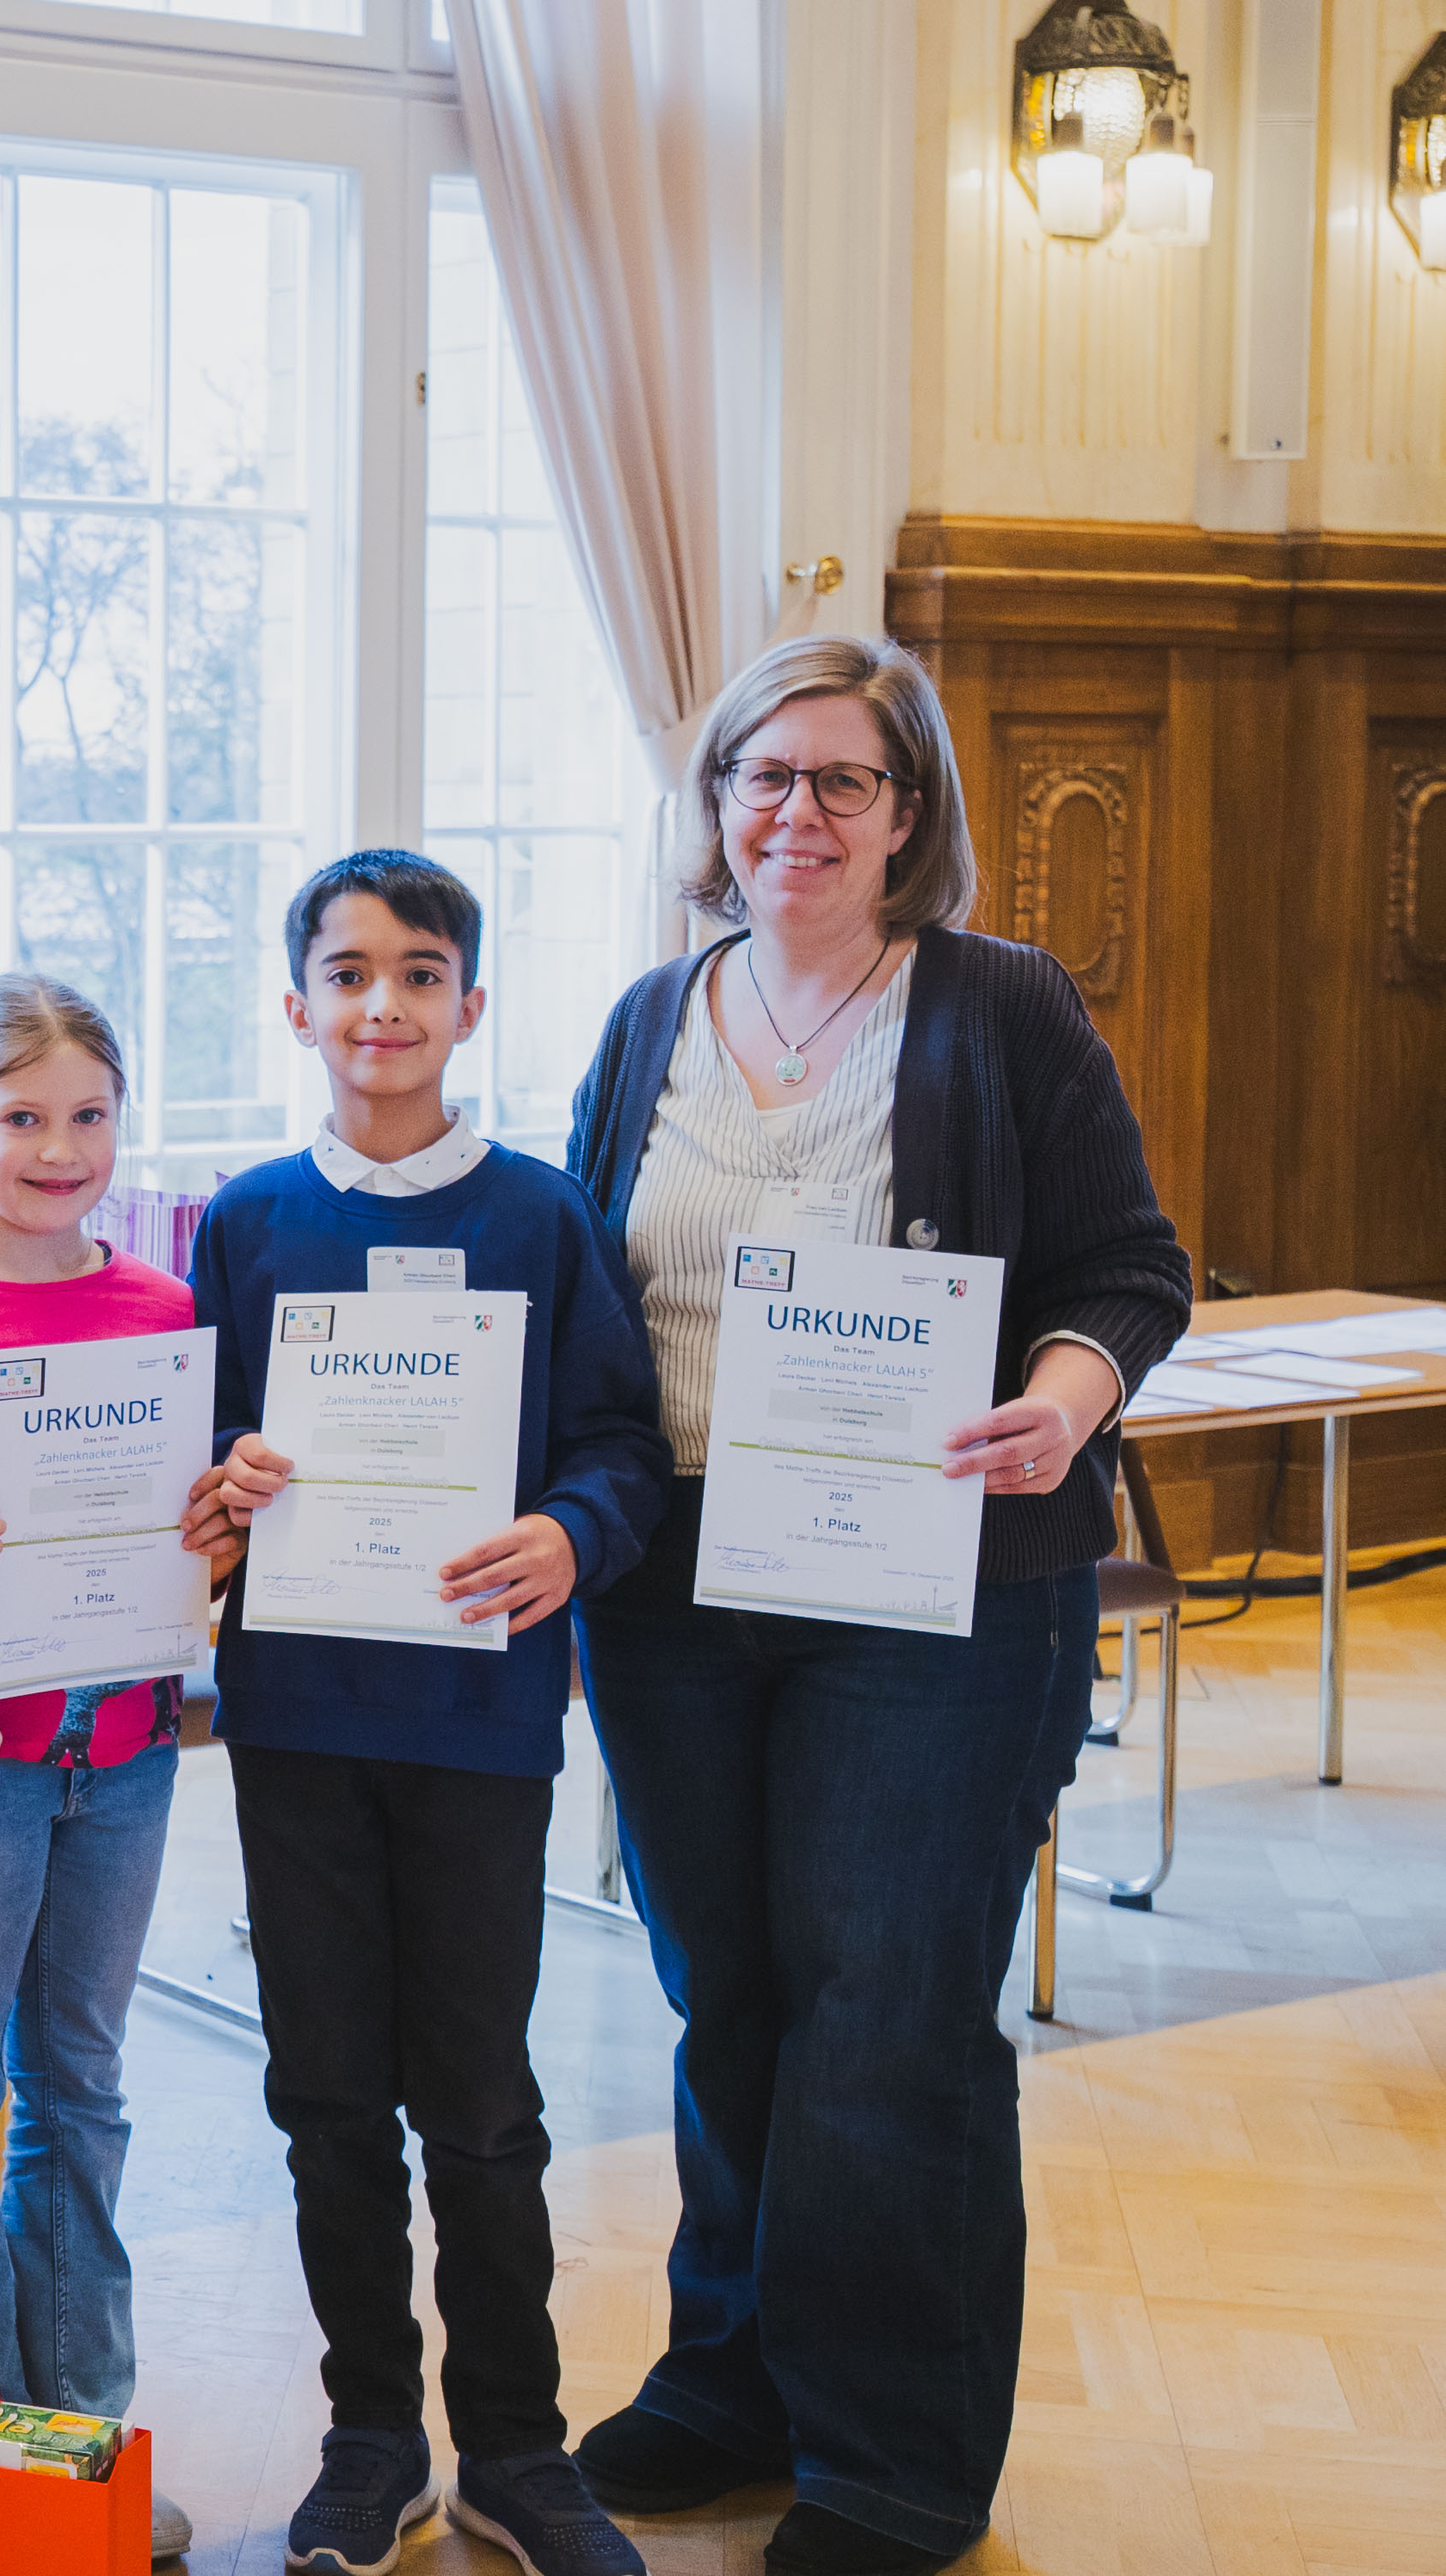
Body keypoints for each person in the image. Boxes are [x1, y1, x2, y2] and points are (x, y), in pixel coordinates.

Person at [558, 637, 1189, 2576]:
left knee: (887, 2013)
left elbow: (1128, 1267)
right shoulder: (649, 1017)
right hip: (676, 1590)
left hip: (937, 1589)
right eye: (765, 774)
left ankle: (893, 2453)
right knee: (727, 1991)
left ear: (908, 812)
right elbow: (589, 1295)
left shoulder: (1000, 1006)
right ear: (716, 802)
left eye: (844, 780)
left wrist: (1058, 1403)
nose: (798, 814)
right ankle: (732, 2376)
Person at [182, 851, 670, 2576]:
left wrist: (570, 1532)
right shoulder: (247, 1221)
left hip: (474, 1721)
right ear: (295, 1004)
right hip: (301, 1723)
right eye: (345, 972)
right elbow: (197, 1449)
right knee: (324, 2093)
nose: (379, 1004)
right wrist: (222, 1478)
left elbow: (620, 1445)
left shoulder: (539, 1216)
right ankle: (371, 2437)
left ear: (469, 1006)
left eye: (416, 973)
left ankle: (517, 2450)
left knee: (478, 2100)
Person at [0, 973, 207, 2561]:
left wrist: (216, 1525)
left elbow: (186, 1520)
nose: (60, 1149)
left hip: (126, 1750)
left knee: (85, 2087)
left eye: (88, 1116)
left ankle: (81, 2443)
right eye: (22, 1117)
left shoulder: (159, 1306)